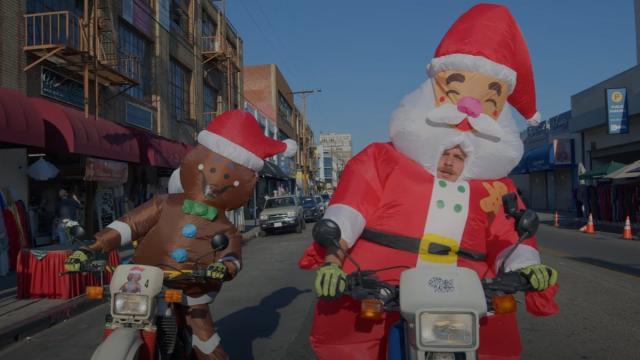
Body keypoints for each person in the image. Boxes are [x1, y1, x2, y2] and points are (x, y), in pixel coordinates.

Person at [298, 4, 559, 359]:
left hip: (465, 293)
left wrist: (528, 268)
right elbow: (350, 208)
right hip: (384, 286)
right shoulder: (382, 159)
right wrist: (332, 258)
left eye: (460, 156)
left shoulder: (497, 187)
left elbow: (507, 236)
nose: (451, 160)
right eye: (447, 153)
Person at [65, 110, 297, 359]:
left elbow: (231, 253)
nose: (215, 178)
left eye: (228, 174)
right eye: (211, 168)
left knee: (204, 339)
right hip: (144, 279)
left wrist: (225, 267)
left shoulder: (224, 227)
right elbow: (130, 224)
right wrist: (94, 246)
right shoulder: (164, 203)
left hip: (192, 286)